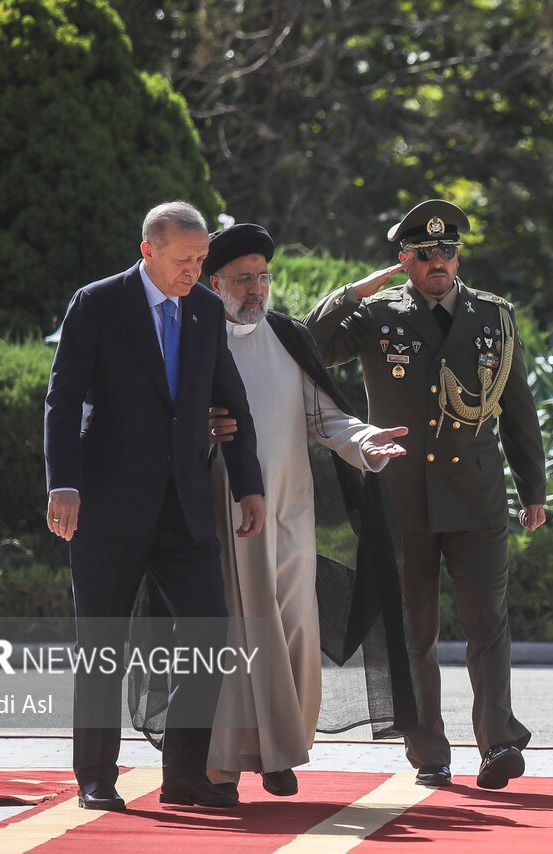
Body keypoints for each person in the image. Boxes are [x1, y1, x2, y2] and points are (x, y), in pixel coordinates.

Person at [304, 199, 547, 790]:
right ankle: (429, 752)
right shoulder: (375, 316)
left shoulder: (494, 316)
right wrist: (350, 294)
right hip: (403, 498)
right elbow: (309, 346)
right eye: (424, 253)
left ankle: (498, 744)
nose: (439, 261)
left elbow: (518, 412)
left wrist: (533, 489)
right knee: (415, 632)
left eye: (448, 251)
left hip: (478, 496)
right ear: (404, 260)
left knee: (487, 624)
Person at [44, 201, 266, 812]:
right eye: (182, 260)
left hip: (186, 507)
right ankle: (95, 775)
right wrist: (62, 483)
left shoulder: (202, 309)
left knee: (208, 633)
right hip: (108, 506)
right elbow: (61, 400)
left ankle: (185, 775)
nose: (194, 272)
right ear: (148, 250)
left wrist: (249, 483)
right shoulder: (97, 303)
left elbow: (229, 397)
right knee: (103, 643)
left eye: (200, 260)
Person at [200, 222, 412, 797]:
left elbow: (326, 418)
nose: (255, 289)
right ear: (213, 281)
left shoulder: (289, 337)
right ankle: (221, 762)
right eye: (242, 279)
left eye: (262, 278)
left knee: (296, 627)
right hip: (224, 512)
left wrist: (365, 441)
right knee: (242, 633)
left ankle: (281, 750)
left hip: (291, 512)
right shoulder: (192, 340)